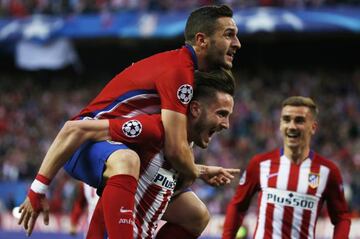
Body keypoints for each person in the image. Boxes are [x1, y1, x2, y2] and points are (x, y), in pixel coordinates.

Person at [17, 4, 241, 237]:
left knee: (197, 215)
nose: (237, 43)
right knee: (127, 160)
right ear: (202, 40)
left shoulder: (180, 83)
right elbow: (175, 149)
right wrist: (37, 190)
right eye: (228, 35)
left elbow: (177, 149)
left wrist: (199, 170)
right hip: (85, 143)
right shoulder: (178, 75)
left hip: (114, 146)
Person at [222, 96, 352, 239]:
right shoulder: (260, 164)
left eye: (299, 120)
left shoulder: (328, 171)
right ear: (280, 125)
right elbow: (238, 206)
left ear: (313, 127)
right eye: (286, 119)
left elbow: (341, 217)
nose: (291, 126)